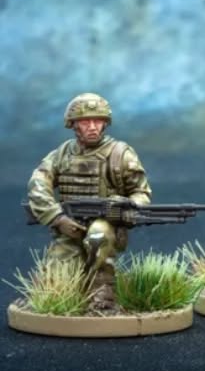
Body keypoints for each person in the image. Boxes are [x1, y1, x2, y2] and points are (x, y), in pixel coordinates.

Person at [26, 93, 152, 310]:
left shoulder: (120, 154)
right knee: (53, 288)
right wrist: (57, 218)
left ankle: (103, 288)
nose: (92, 127)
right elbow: (38, 184)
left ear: (105, 124)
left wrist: (129, 207)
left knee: (98, 235)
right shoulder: (62, 154)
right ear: (73, 125)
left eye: (98, 121)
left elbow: (142, 193)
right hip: (69, 226)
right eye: (85, 122)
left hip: (106, 225)